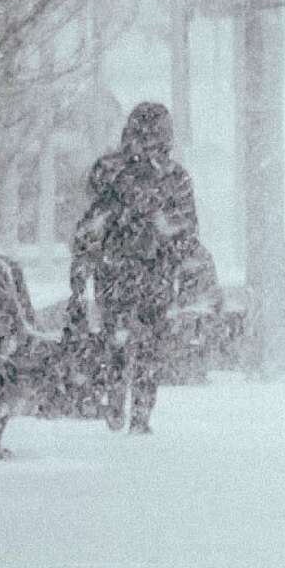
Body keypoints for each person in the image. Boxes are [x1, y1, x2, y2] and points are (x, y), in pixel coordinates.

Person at [72, 101, 197, 434]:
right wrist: (167, 241)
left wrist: (86, 264)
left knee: (115, 343)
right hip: (150, 275)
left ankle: (116, 409)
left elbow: (90, 223)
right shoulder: (174, 178)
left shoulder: (110, 171)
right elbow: (186, 235)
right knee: (147, 349)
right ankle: (137, 417)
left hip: (116, 274)